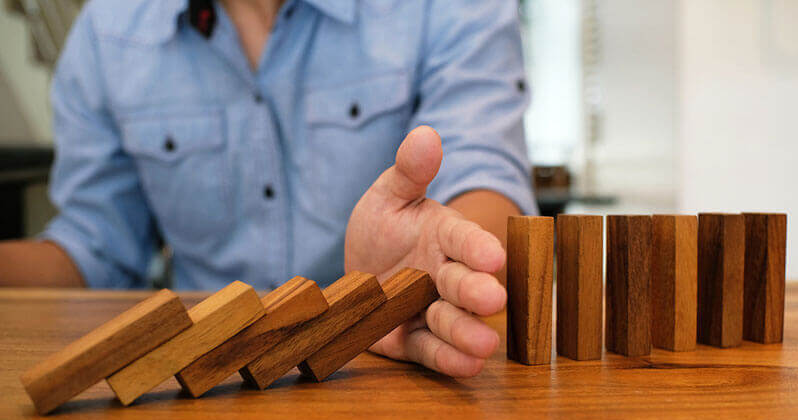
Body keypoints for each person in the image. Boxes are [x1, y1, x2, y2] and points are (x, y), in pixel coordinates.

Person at [0, 0, 537, 378]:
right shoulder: (105, 29)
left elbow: (484, 174)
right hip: (199, 392)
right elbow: (93, 249)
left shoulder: (454, 7)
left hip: (382, 376)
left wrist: (439, 262)